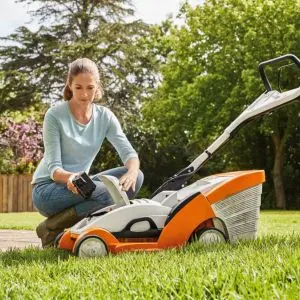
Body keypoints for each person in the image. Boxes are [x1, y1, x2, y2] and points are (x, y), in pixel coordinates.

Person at [32, 58, 144, 248]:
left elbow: (128, 153)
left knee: (136, 179)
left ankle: (51, 228)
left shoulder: (105, 116)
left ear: (97, 86)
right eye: (79, 87)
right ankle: (52, 227)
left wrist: (132, 171)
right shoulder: (55, 115)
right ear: (70, 86)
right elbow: (54, 169)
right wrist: (71, 177)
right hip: (47, 190)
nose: (84, 94)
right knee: (107, 191)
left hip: (82, 184)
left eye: (90, 88)